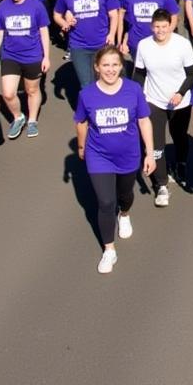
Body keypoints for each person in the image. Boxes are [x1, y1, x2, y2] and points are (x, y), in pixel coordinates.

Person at [73, 46, 155, 274]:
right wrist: (81, 146)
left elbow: (144, 121)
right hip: (98, 156)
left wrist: (150, 152)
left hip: (128, 155)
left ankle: (125, 213)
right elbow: (81, 121)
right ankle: (109, 249)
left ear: (121, 67)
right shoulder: (87, 94)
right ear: (97, 67)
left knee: (125, 195)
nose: (110, 70)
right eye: (105, 65)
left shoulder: (133, 90)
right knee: (106, 202)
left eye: (115, 65)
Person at [133, 10, 193, 204]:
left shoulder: (182, 44)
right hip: (154, 100)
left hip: (180, 102)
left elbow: (192, 74)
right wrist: (136, 98)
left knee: (179, 136)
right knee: (155, 144)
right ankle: (161, 185)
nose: (160, 31)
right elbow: (139, 74)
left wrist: (180, 93)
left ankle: (181, 163)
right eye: (157, 27)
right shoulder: (144, 46)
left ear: (171, 25)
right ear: (152, 26)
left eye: (164, 26)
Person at [0, 0, 51, 140]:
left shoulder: (36, 6)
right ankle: (18, 117)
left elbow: (44, 32)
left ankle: (32, 120)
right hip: (10, 56)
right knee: (8, 93)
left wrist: (46, 57)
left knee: (32, 90)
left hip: (32, 55)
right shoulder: (3, 7)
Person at [54, 0, 122, 89]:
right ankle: (90, 109)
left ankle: (104, 107)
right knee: (86, 85)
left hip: (102, 43)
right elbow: (57, 15)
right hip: (79, 46)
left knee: (105, 81)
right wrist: (64, 23)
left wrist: (111, 34)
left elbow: (114, 14)